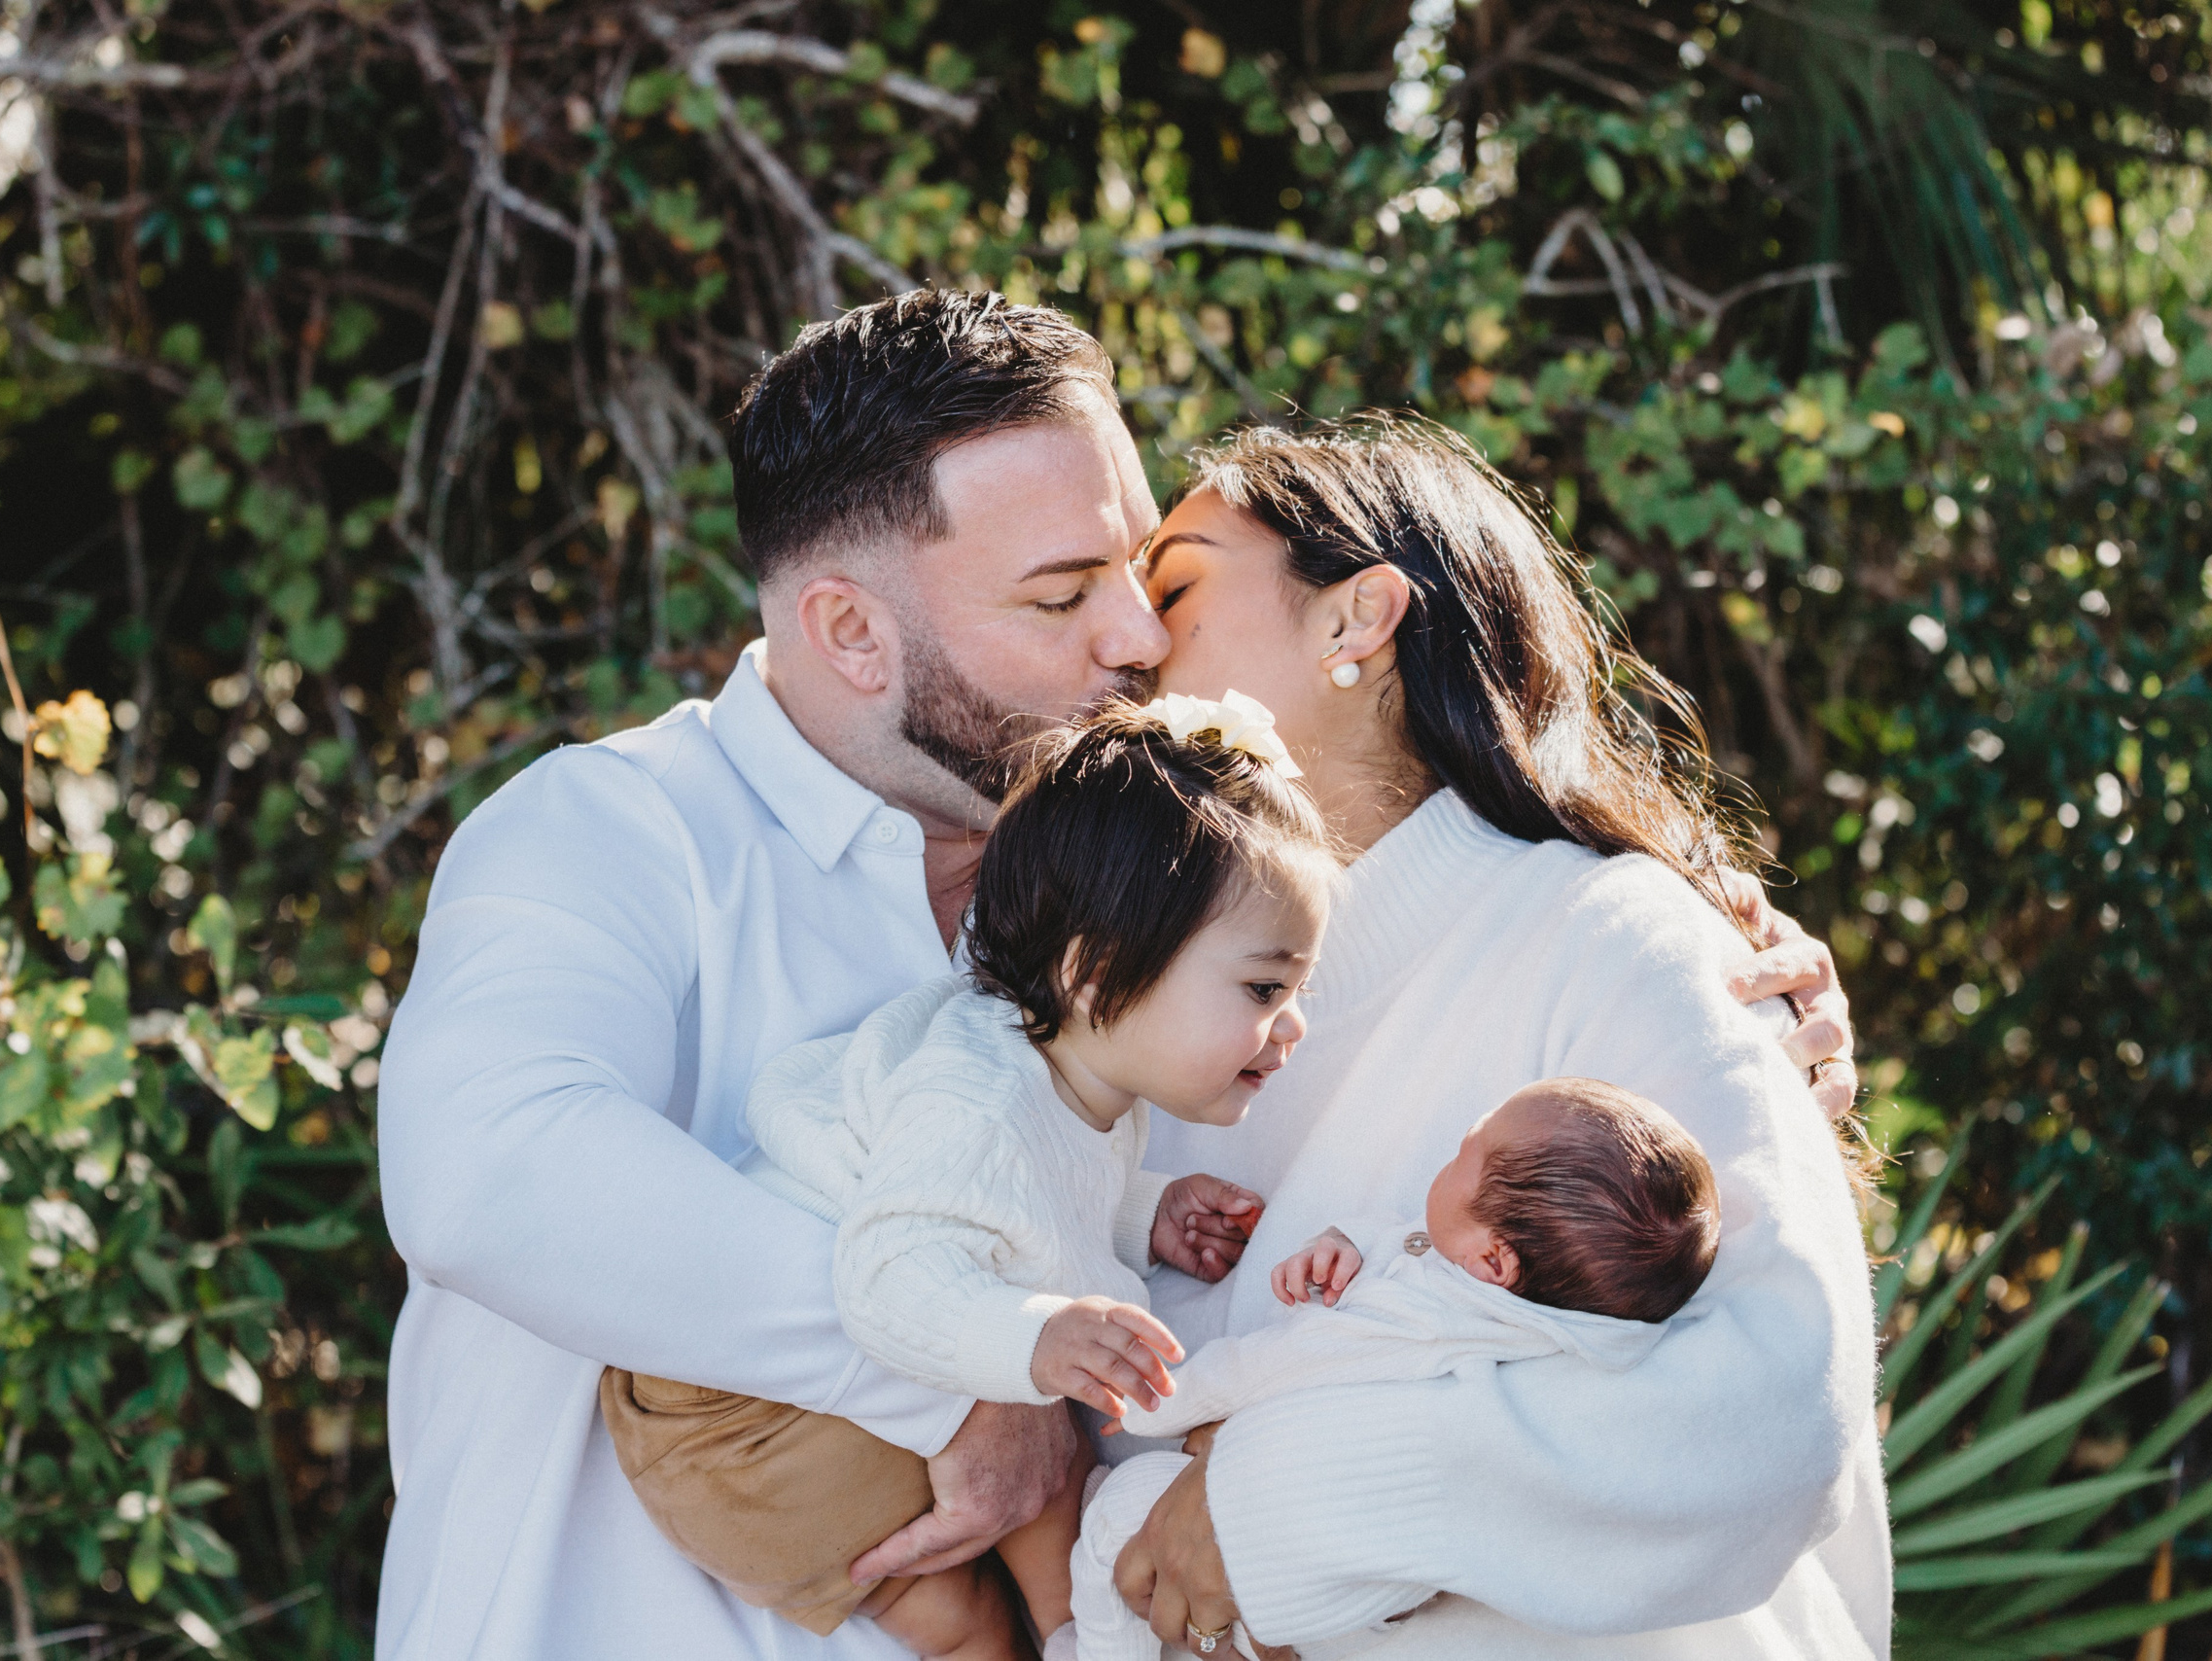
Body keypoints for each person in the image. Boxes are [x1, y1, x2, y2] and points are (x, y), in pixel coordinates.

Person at [372, 290, 1852, 1661]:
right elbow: (492, 1168)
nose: (1138, 638)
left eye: (1145, 575)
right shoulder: (613, 832)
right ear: (850, 632)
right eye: (1064, 592)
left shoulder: (1172, 933)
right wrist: (963, 1373)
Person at [1111, 416, 1887, 1660]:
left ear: (1355, 619)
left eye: (1175, 587)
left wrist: (1299, 1490)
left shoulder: (1620, 937)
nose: (1129, 638)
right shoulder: (1113, 989)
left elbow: (1777, 1406)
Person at [596, 702, 1330, 1660]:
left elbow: (1028, 1194)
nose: (1294, 1025)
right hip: (739, 1420)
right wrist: (1033, 1339)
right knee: (1039, 1481)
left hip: (743, 1408)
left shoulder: (1069, 1074)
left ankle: (1069, 1627)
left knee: (980, 1602)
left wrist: (1142, 1212)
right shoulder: (982, 1101)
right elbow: (890, 1273)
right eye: (1266, 989)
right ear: (1096, 971)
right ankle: (1081, 1632)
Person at [1064, 1078, 1722, 1661]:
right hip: (1372, 1574)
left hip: (1312, 1577)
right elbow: (1414, 1245)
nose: (1450, 1155)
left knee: (1114, 1515)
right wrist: (1345, 1243)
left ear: (1494, 1262)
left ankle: (1091, 1651)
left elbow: (1270, 1367)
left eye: (1464, 1154)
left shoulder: (1414, 1324)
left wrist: (1152, 1400)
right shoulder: (1526, 1305)